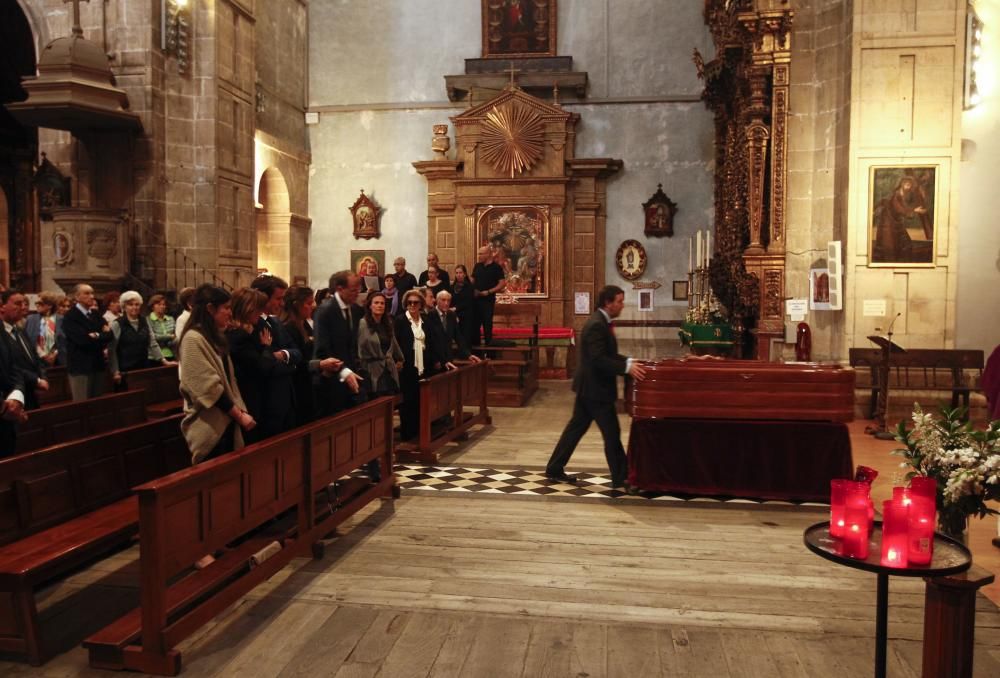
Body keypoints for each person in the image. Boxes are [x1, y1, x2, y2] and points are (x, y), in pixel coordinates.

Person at [545, 285, 647, 490]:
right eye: (619, 301)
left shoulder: (602, 322)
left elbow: (606, 355)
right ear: (608, 303)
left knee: (576, 429)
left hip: (590, 388)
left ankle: (555, 468)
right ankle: (622, 477)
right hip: (595, 390)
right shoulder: (596, 325)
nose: (622, 305)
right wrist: (626, 367)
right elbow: (598, 359)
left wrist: (628, 360)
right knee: (611, 433)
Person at [178, 284, 254, 464]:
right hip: (210, 423)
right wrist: (240, 416)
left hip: (226, 420)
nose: (230, 312)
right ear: (210, 309)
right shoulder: (193, 339)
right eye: (226, 308)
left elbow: (229, 379)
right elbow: (208, 388)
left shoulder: (215, 337)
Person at [249, 274, 302, 438]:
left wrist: (282, 355)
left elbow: (296, 352)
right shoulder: (252, 325)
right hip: (267, 402)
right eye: (278, 298)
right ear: (262, 296)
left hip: (286, 397)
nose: (282, 303)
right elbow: (265, 365)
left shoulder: (276, 322)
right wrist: (289, 364)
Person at [395, 289, 451, 440]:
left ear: (420, 304)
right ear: (405, 304)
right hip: (407, 367)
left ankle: (421, 433)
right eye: (409, 303)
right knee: (408, 402)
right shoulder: (400, 321)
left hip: (425, 367)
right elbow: (396, 344)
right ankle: (408, 434)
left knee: (422, 401)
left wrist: (438, 360)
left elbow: (432, 342)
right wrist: (397, 361)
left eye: (415, 302)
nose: (412, 305)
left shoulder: (425, 320)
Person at [313, 270, 364, 417]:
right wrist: (344, 371)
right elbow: (323, 350)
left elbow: (351, 345)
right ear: (340, 289)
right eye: (354, 290)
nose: (358, 293)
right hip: (331, 378)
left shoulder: (355, 310)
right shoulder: (325, 311)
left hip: (351, 374)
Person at [109, 291, 174, 388]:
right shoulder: (117, 323)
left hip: (143, 366)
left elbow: (152, 343)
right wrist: (115, 371)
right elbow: (112, 349)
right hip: (125, 369)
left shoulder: (144, 321)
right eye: (130, 305)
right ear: (124, 307)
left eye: (137, 304)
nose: (134, 307)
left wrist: (163, 360)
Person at [62, 284, 113, 401]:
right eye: (87, 293)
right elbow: (82, 340)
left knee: (98, 402)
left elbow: (110, 335)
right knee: (82, 403)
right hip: (81, 366)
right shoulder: (70, 316)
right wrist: (101, 335)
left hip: (97, 364)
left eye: (92, 293)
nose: (92, 296)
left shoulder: (95, 314)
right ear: (77, 296)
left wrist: (95, 335)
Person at [1, 290, 48, 411]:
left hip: (31, 393)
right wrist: (36, 380)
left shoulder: (20, 330)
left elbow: (35, 357)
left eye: (24, 303)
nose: (23, 307)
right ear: (2, 306)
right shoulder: (2, 334)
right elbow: (12, 366)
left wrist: (42, 377)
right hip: (11, 396)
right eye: (18, 303)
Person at [282, 285, 318, 426]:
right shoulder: (288, 327)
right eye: (309, 303)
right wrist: (319, 364)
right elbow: (297, 361)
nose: (313, 306)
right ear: (297, 305)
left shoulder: (305, 325)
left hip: (309, 382)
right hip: (299, 386)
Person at [357, 291, 403, 398]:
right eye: (376, 303)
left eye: (382, 303)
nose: (379, 306)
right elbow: (358, 347)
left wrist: (400, 359)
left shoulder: (387, 323)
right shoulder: (363, 324)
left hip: (388, 369)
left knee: (390, 404)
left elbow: (394, 343)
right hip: (371, 370)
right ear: (370, 306)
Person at [425, 289, 481, 365]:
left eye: (448, 301)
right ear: (437, 300)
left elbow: (458, 337)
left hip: (449, 358)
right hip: (435, 360)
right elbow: (430, 342)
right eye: (443, 300)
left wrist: (468, 355)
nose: (446, 303)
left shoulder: (451, 315)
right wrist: (436, 360)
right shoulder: (430, 315)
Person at [471, 245, 507, 346]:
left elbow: (502, 284)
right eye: (478, 254)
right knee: (475, 325)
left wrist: (488, 291)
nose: (479, 256)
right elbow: (472, 281)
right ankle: (476, 352)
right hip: (476, 301)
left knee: (487, 325)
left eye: (481, 254)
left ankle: (489, 352)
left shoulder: (496, 267)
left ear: (488, 254)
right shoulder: (477, 266)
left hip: (488, 301)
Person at [25, 292, 62, 368]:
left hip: (57, 361)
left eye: (40, 303)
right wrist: (43, 355)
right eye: (36, 303)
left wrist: (54, 354)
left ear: (50, 305)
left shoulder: (61, 319)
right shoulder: (31, 319)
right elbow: (28, 339)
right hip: (36, 360)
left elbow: (63, 340)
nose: (37, 305)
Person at [451, 264, 477, 350]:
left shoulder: (469, 287)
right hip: (455, 315)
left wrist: (456, 308)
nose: (458, 275)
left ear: (465, 274)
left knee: (466, 336)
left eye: (460, 273)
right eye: (457, 273)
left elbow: (468, 302)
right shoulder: (452, 287)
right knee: (457, 336)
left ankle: (466, 354)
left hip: (466, 315)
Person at [147, 294, 177, 362]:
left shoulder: (171, 319)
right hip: (154, 357)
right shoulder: (148, 320)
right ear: (152, 306)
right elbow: (153, 338)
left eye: (163, 304)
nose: (162, 306)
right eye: (158, 304)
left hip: (171, 354)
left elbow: (175, 336)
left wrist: (168, 339)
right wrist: (169, 337)